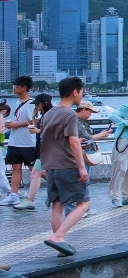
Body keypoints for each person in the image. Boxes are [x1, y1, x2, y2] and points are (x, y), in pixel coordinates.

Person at [39, 77, 91, 256]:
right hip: (67, 164)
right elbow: (73, 142)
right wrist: (82, 167)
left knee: (57, 205)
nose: (81, 95)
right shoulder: (70, 115)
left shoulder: (48, 114)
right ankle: (58, 237)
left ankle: (61, 246)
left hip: (51, 166)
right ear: (75, 92)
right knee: (84, 203)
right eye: (81, 92)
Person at [13, 94, 53, 211]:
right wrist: (33, 116)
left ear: (45, 103)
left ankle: (31, 200)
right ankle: (31, 200)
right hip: (43, 150)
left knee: (37, 173)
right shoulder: (45, 115)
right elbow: (38, 129)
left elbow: (52, 132)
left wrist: (38, 130)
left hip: (48, 150)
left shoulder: (50, 115)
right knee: (36, 173)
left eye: (38, 104)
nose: (36, 106)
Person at [4, 75, 37, 207]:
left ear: (24, 88)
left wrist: (16, 125)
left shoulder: (31, 103)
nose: (14, 88)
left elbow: (35, 120)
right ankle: (13, 195)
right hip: (14, 141)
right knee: (16, 168)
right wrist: (11, 125)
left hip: (28, 142)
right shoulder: (18, 103)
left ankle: (58, 187)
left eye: (16, 86)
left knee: (35, 169)